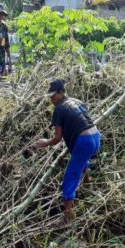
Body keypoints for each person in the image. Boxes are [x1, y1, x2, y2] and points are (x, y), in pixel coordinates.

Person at [36, 79, 101, 224]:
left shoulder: (59, 108)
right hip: (96, 137)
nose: (52, 100)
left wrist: (45, 143)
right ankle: (87, 181)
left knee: (69, 177)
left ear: (60, 92)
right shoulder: (76, 101)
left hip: (84, 142)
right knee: (80, 158)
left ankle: (67, 217)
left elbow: (57, 138)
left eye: (53, 96)